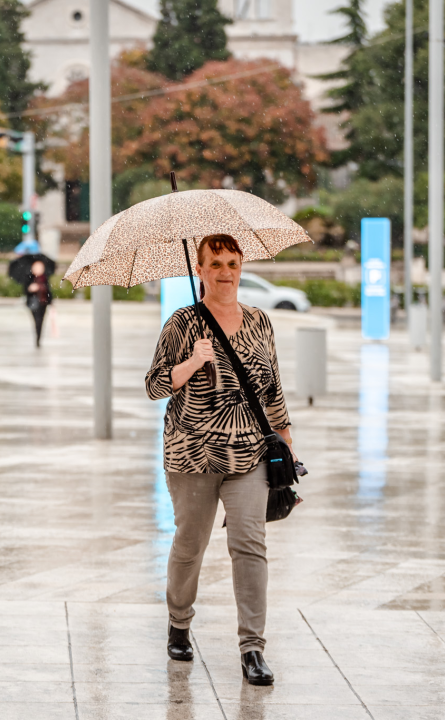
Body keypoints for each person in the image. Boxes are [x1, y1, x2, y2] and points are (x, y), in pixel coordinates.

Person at [144, 233, 293, 687]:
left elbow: (272, 389)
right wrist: (192, 362)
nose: (225, 272)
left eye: (232, 263)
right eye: (216, 264)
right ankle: (180, 622)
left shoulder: (260, 321)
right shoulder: (183, 323)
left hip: (248, 453)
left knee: (250, 546)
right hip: (191, 454)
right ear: (201, 270)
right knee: (190, 545)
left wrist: (286, 446)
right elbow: (154, 385)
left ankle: (252, 648)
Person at [26, 260, 52, 347]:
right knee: (37, 321)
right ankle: (37, 337)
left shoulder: (45, 278)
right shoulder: (30, 278)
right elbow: (26, 291)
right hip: (33, 303)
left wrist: (51, 302)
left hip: (43, 303)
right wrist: (30, 289)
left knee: (41, 321)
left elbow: (49, 291)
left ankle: (39, 337)